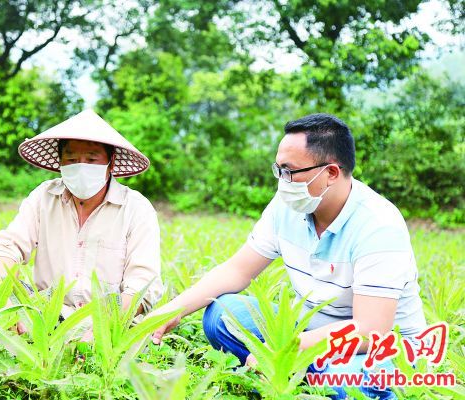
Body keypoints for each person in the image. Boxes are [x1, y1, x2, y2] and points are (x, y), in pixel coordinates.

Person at [150, 113, 426, 399]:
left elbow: (370, 330)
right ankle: (302, 371)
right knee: (222, 314)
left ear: (331, 173)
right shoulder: (287, 206)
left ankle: (302, 371)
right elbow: (237, 271)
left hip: (381, 348)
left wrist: (284, 349)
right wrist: (169, 312)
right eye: (279, 170)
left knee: (344, 379)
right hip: (309, 330)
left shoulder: (377, 225)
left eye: (290, 171)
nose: (283, 181)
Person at [0, 109, 163, 339]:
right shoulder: (44, 198)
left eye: (91, 159)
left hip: (110, 321)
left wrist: (102, 328)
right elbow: (4, 250)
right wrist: (7, 300)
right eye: (70, 159)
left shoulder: (136, 209)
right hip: (46, 316)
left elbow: (143, 286)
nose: (80, 167)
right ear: (60, 162)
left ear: (110, 163)